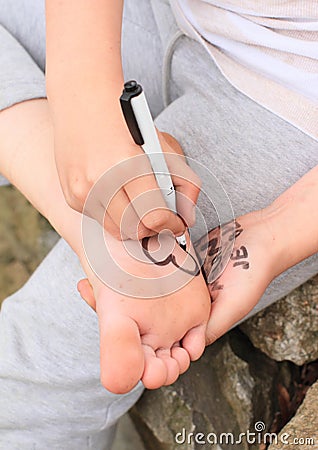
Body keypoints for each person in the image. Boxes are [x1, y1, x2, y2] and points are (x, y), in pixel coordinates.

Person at [0, 0, 317, 448]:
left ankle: (95, 217)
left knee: (21, 392)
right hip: (166, 12)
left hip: (293, 103)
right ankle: (77, 206)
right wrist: (84, 100)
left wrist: (280, 230)